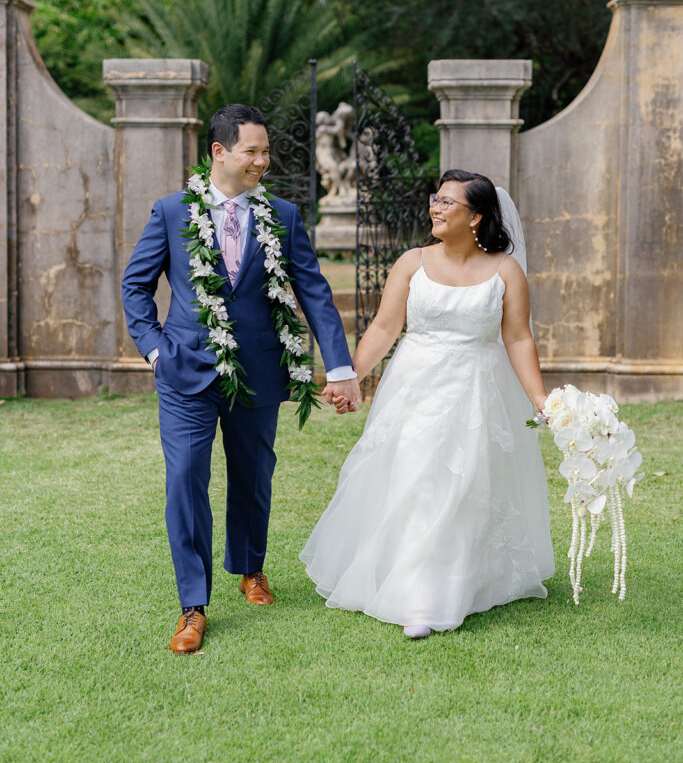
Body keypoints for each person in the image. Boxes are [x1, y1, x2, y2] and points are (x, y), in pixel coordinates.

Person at [122, 104, 360, 653]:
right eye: (252, 151)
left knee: (254, 475)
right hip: (184, 371)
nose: (262, 161)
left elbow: (314, 291)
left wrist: (341, 366)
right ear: (219, 152)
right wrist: (157, 352)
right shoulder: (171, 211)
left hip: (257, 370)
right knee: (185, 478)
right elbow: (136, 287)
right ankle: (192, 605)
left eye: (266, 151)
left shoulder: (283, 215)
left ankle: (251, 568)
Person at [300, 169, 554, 638]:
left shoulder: (505, 271)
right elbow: (383, 327)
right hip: (415, 388)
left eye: (448, 203)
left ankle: (457, 584)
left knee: (466, 488)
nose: (435, 208)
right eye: (435, 200)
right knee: (419, 483)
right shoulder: (412, 262)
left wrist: (541, 399)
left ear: (476, 217)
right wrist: (350, 375)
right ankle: (419, 598)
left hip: (477, 390)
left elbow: (518, 338)